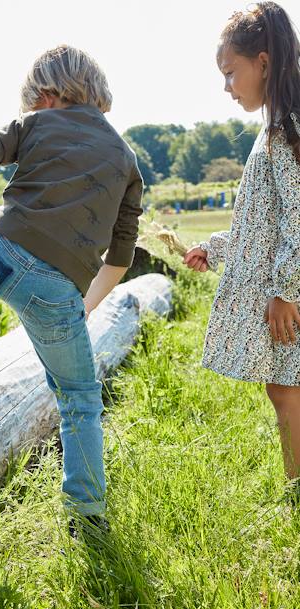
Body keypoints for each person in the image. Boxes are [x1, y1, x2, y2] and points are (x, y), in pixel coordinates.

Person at [0, 45, 143, 529]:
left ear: (46, 95)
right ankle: (87, 516)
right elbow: (121, 255)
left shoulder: (36, 124)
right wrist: (81, 307)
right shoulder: (127, 161)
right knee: (80, 399)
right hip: (59, 291)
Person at [184, 2, 300, 495]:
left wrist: (287, 291)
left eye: (230, 73)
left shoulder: (285, 131)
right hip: (286, 281)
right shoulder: (272, 130)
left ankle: (297, 493)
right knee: (285, 389)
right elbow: (262, 225)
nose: (227, 87)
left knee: (287, 391)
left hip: (290, 289)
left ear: (264, 62)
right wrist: (214, 248)